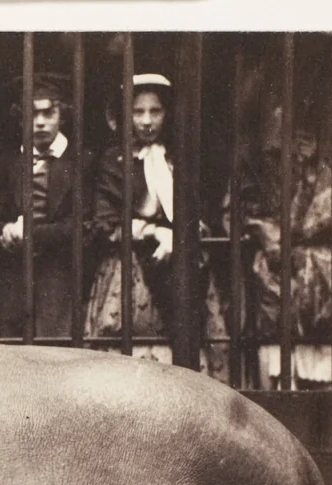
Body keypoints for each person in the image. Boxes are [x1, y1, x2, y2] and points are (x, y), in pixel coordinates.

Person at [83, 73, 227, 374]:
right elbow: (104, 221)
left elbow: (204, 212)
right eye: (138, 112)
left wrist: (181, 235)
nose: (146, 120)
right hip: (129, 269)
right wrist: (156, 231)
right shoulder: (113, 161)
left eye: (155, 111)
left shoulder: (181, 158)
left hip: (181, 265)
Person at [224, 100, 332, 389]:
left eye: (307, 132)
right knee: (277, 382)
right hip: (273, 297)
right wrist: (264, 233)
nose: (299, 143)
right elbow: (236, 215)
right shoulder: (258, 172)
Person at [0, 72, 88, 341]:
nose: (40, 122)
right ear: (21, 119)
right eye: (32, 115)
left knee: (54, 350)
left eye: (48, 113)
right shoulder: (8, 162)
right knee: (13, 352)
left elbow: (82, 225)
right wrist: (5, 228)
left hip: (60, 273)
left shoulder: (82, 162)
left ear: (62, 115)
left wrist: (31, 234)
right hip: (13, 274)